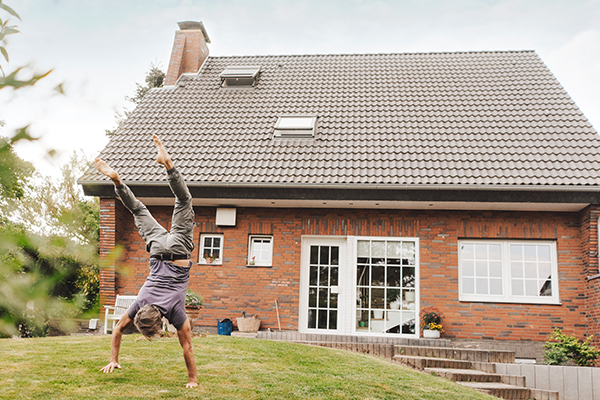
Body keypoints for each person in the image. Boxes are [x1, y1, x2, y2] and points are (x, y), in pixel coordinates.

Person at [97, 134, 198, 388]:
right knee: (138, 209)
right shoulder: (139, 302)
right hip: (157, 250)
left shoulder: (175, 312)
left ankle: (168, 164)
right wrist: (112, 358)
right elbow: (118, 329)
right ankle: (118, 181)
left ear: (160, 322)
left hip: (179, 251)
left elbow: (187, 347)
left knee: (184, 201)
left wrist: (193, 380)